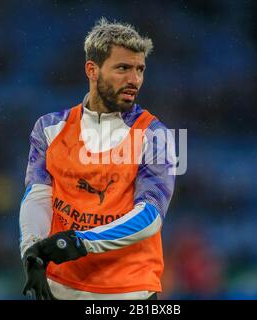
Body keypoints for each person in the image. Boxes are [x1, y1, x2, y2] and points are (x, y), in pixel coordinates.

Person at [19, 18, 176, 300]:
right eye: (123, 68)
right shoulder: (49, 129)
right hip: (59, 288)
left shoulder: (154, 135)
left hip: (128, 292)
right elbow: (38, 196)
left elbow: (150, 216)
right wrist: (31, 251)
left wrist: (81, 242)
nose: (134, 80)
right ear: (92, 70)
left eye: (140, 69)